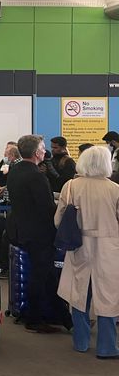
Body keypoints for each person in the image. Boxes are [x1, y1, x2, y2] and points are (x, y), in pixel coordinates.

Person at [56, 146, 119, 359]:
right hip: (109, 247)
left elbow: (59, 220)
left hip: (79, 244)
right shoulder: (115, 189)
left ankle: (81, 341)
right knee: (108, 296)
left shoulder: (71, 186)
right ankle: (107, 346)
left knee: (79, 292)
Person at [6, 135, 71, 333]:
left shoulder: (15, 171)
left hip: (22, 228)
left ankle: (64, 317)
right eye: (43, 148)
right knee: (41, 275)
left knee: (46, 275)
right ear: (36, 153)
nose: (45, 151)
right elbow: (46, 208)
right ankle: (34, 319)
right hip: (40, 233)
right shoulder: (36, 176)